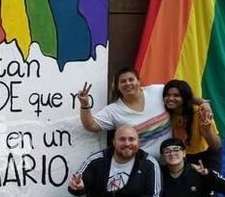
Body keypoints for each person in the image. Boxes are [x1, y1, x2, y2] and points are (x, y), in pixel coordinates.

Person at [77, 68, 214, 159]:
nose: (128, 83)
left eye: (131, 79)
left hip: (172, 162)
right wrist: (85, 105)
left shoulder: (157, 91)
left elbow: (182, 96)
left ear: (138, 81)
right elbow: (91, 126)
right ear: (118, 87)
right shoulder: (113, 110)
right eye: (123, 81)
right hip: (144, 167)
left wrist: (203, 102)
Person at [163, 79, 225, 197]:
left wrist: (206, 130)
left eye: (176, 95)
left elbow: (215, 145)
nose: (171, 98)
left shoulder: (200, 113)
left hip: (206, 156)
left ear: (184, 97)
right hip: (185, 157)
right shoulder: (168, 114)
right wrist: (203, 100)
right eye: (168, 95)